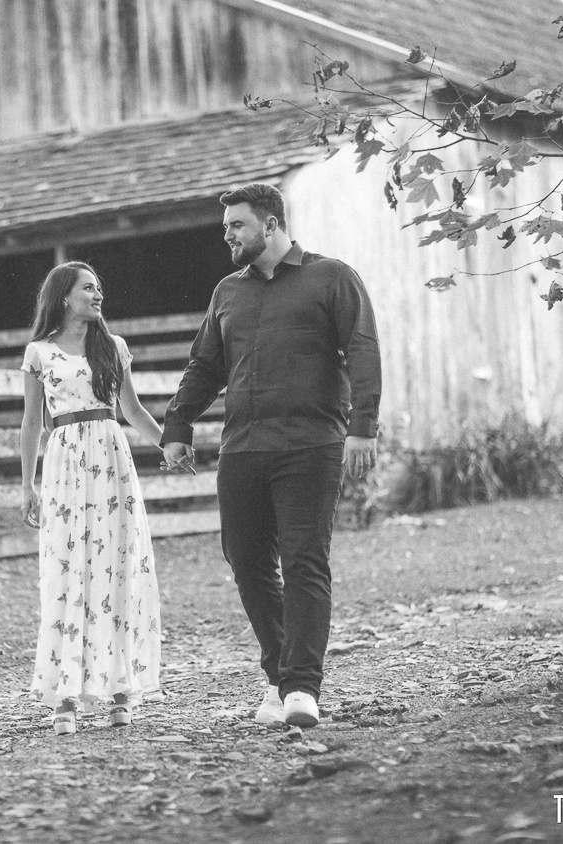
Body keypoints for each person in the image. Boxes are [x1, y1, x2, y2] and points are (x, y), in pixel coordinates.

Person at [161, 183, 381, 729]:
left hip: (312, 443)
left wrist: (364, 427)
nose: (228, 235)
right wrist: (178, 423)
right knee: (246, 559)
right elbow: (205, 364)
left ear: (272, 224)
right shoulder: (227, 292)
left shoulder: (331, 277)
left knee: (305, 559)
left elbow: (363, 348)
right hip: (243, 446)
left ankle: (301, 688)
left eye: (237, 225)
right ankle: (281, 674)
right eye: (227, 227)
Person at [19, 261, 165, 736]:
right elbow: (30, 424)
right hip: (63, 464)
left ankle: (122, 689)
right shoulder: (39, 353)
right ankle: (64, 697)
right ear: (64, 296)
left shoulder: (114, 347)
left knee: (117, 565)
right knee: (66, 571)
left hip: (110, 460)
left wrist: (170, 443)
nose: (98, 294)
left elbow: (132, 409)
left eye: (99, 287)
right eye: (88, 288)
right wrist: (28, 484)